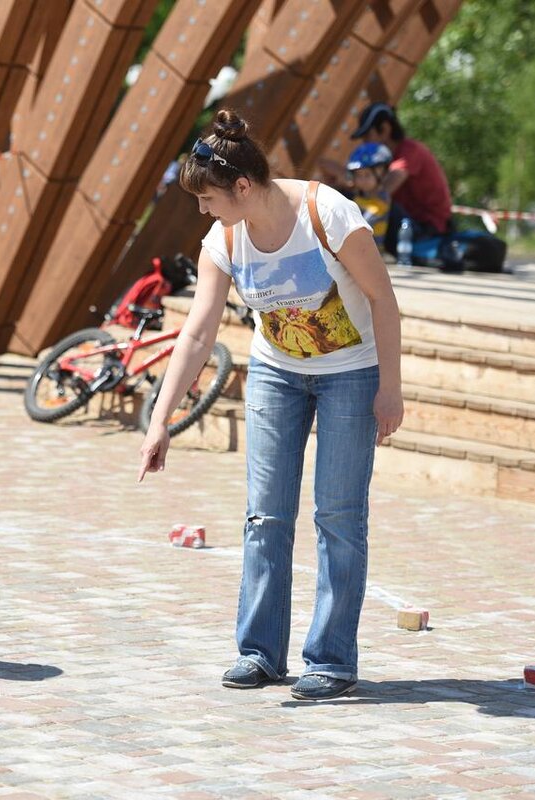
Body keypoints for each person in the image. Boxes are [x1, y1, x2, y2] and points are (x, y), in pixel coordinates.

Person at [138, 109, 404, 701]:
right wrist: (162, 420)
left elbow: (383, 300)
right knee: (265, 517)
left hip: (350, 374)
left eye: (207, 198)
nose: (202, 212)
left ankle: (330, 660)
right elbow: (198, 334)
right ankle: (259, 653)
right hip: (276, 374)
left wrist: (391, 386)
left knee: (338, 517)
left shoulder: (326, 214)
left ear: (242, 186)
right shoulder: (224, 238)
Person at [351, 102, 452, 254]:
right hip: (410, 225)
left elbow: (381, 190)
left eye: (367, 135)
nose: (364, 142)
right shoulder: (387, 158)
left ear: (385, 129)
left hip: (427, 230)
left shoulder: (411, 151)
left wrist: (345, 176)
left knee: (377, 204)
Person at [345, 142, 393, 251]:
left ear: (381, 173)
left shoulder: (381, 203)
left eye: (367, 175)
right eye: (358, 175)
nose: (362, 180)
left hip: (372, 252)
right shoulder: (359, 198)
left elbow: (360, 227)